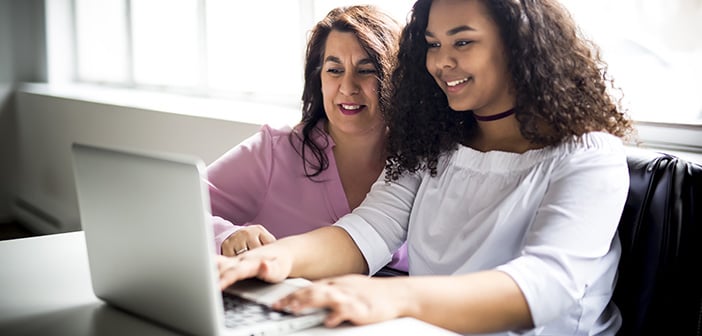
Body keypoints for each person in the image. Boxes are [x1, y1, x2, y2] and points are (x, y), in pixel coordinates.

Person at [217, 0, 635, 334]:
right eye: (433, 44)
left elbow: (545, 284)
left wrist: (395, 299)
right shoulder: (436, 144)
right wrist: (272, 260)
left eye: (462, 42)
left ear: (518, 44)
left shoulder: (589, 155)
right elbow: (366, 231)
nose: (441, 62)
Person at [206, 5, 408, 273]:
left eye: (366, 70)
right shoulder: (273, 152)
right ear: (319, 79)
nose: (348, 87)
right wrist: (225, 235)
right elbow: (173, 209)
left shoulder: (422, 165)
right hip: (287, 308)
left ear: (396, 77)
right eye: (334, 70)